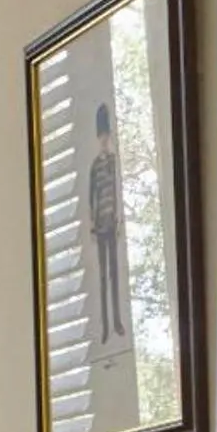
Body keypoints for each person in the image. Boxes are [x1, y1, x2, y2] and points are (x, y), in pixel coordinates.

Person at [90, 102, 128, 341]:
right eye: (101, 136)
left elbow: (117, 190)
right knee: (103, 277)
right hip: (100, 224)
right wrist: (92, 223)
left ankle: (117, 322)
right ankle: (104, 327)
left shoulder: (114, 163)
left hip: (112, 222)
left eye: (106, 136)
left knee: (114, 274)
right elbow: (90, 196)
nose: (104, 140)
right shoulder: (95, 166)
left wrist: (119, 217)